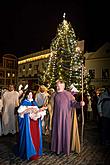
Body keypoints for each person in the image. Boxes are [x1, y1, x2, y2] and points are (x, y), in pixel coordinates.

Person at [51, 79, 85, 156]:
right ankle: (57, 149)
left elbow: (74, 103)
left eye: (58, 85)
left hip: (66, 118)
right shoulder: (55, 95)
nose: (57, 87)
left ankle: (65, 149)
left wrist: (80, 104)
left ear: (63, 85)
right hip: (57, 118)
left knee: (65, 132)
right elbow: (51, 105)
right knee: (57, 132)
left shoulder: (68, 94)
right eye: (56, 85)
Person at [17, 90, 47, 160]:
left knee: (35, 137)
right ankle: (29, 153)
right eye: (29, 94)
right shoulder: (24, 103)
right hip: (28, 124)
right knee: (29, 137)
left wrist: (40, 112)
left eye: (31, 94)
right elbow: (20, 113)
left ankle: (36, 152)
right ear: (26, 95)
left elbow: (37, 110)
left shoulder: (34, 102)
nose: (30, 96)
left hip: (35, 124)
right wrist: (27, 112)